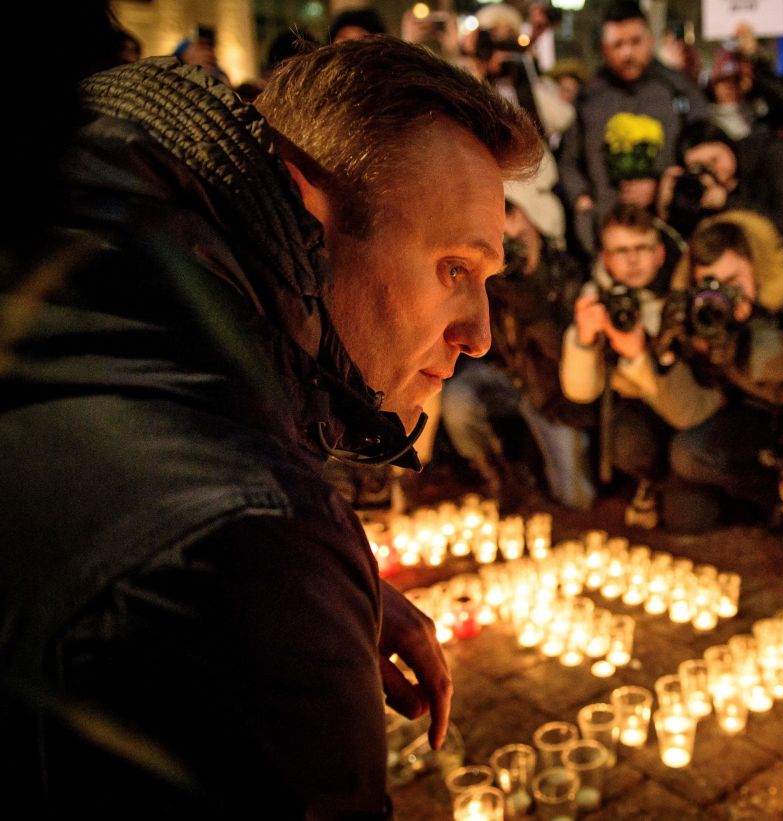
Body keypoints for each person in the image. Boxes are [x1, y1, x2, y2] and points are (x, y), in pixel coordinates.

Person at [0, 37, 542, 815]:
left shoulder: (90, 305)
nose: (481, 333)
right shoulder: (245, 553)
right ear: (308, 211)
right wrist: (286, 584)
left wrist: (327, 579)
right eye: (455, 268)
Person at [658, 210, 783, 531]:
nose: (724, 294)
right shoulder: (705, 311)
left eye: (733, 282)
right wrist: (677, 350)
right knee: (687, 459)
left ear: (757, 264)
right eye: (713, 284)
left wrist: (747, 347)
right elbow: (698, 402)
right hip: (759, 420)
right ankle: (780, 500)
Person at [440, 164, 596, 510]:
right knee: (459, 399)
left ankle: (545, 476)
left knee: (576, 500)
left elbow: (562, 352)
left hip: (551, 390)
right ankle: (499, 477)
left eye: (516, 223)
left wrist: (528, 299)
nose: (509, 236)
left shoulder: (566, 276)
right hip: (506, 376)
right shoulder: (493, 278)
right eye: (501, 227)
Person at [561, 204, 722, 527]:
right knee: (627, 439)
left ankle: (691, 484)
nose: (632, 261)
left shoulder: (687, 297)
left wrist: (638, 357)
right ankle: (653, 481)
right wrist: (584, 340)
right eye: (620, 251)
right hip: (643, 416)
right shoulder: (597, 300)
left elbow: (689, 403)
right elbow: (580, 393)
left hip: (692, 413)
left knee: (690, 520)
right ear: (606, 259)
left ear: (660, 253)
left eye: (641, 249)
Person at [557, 0, 707, 253]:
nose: (627, 53)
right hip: (603, 236)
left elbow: (702, 150)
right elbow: (568, 160)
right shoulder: (589, 98)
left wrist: (665, 186)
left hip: (669, 232)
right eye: (618, 44)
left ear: (650, 40)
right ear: (604, 48)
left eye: (635, 41)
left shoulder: (679, 90)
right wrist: (582, 202)